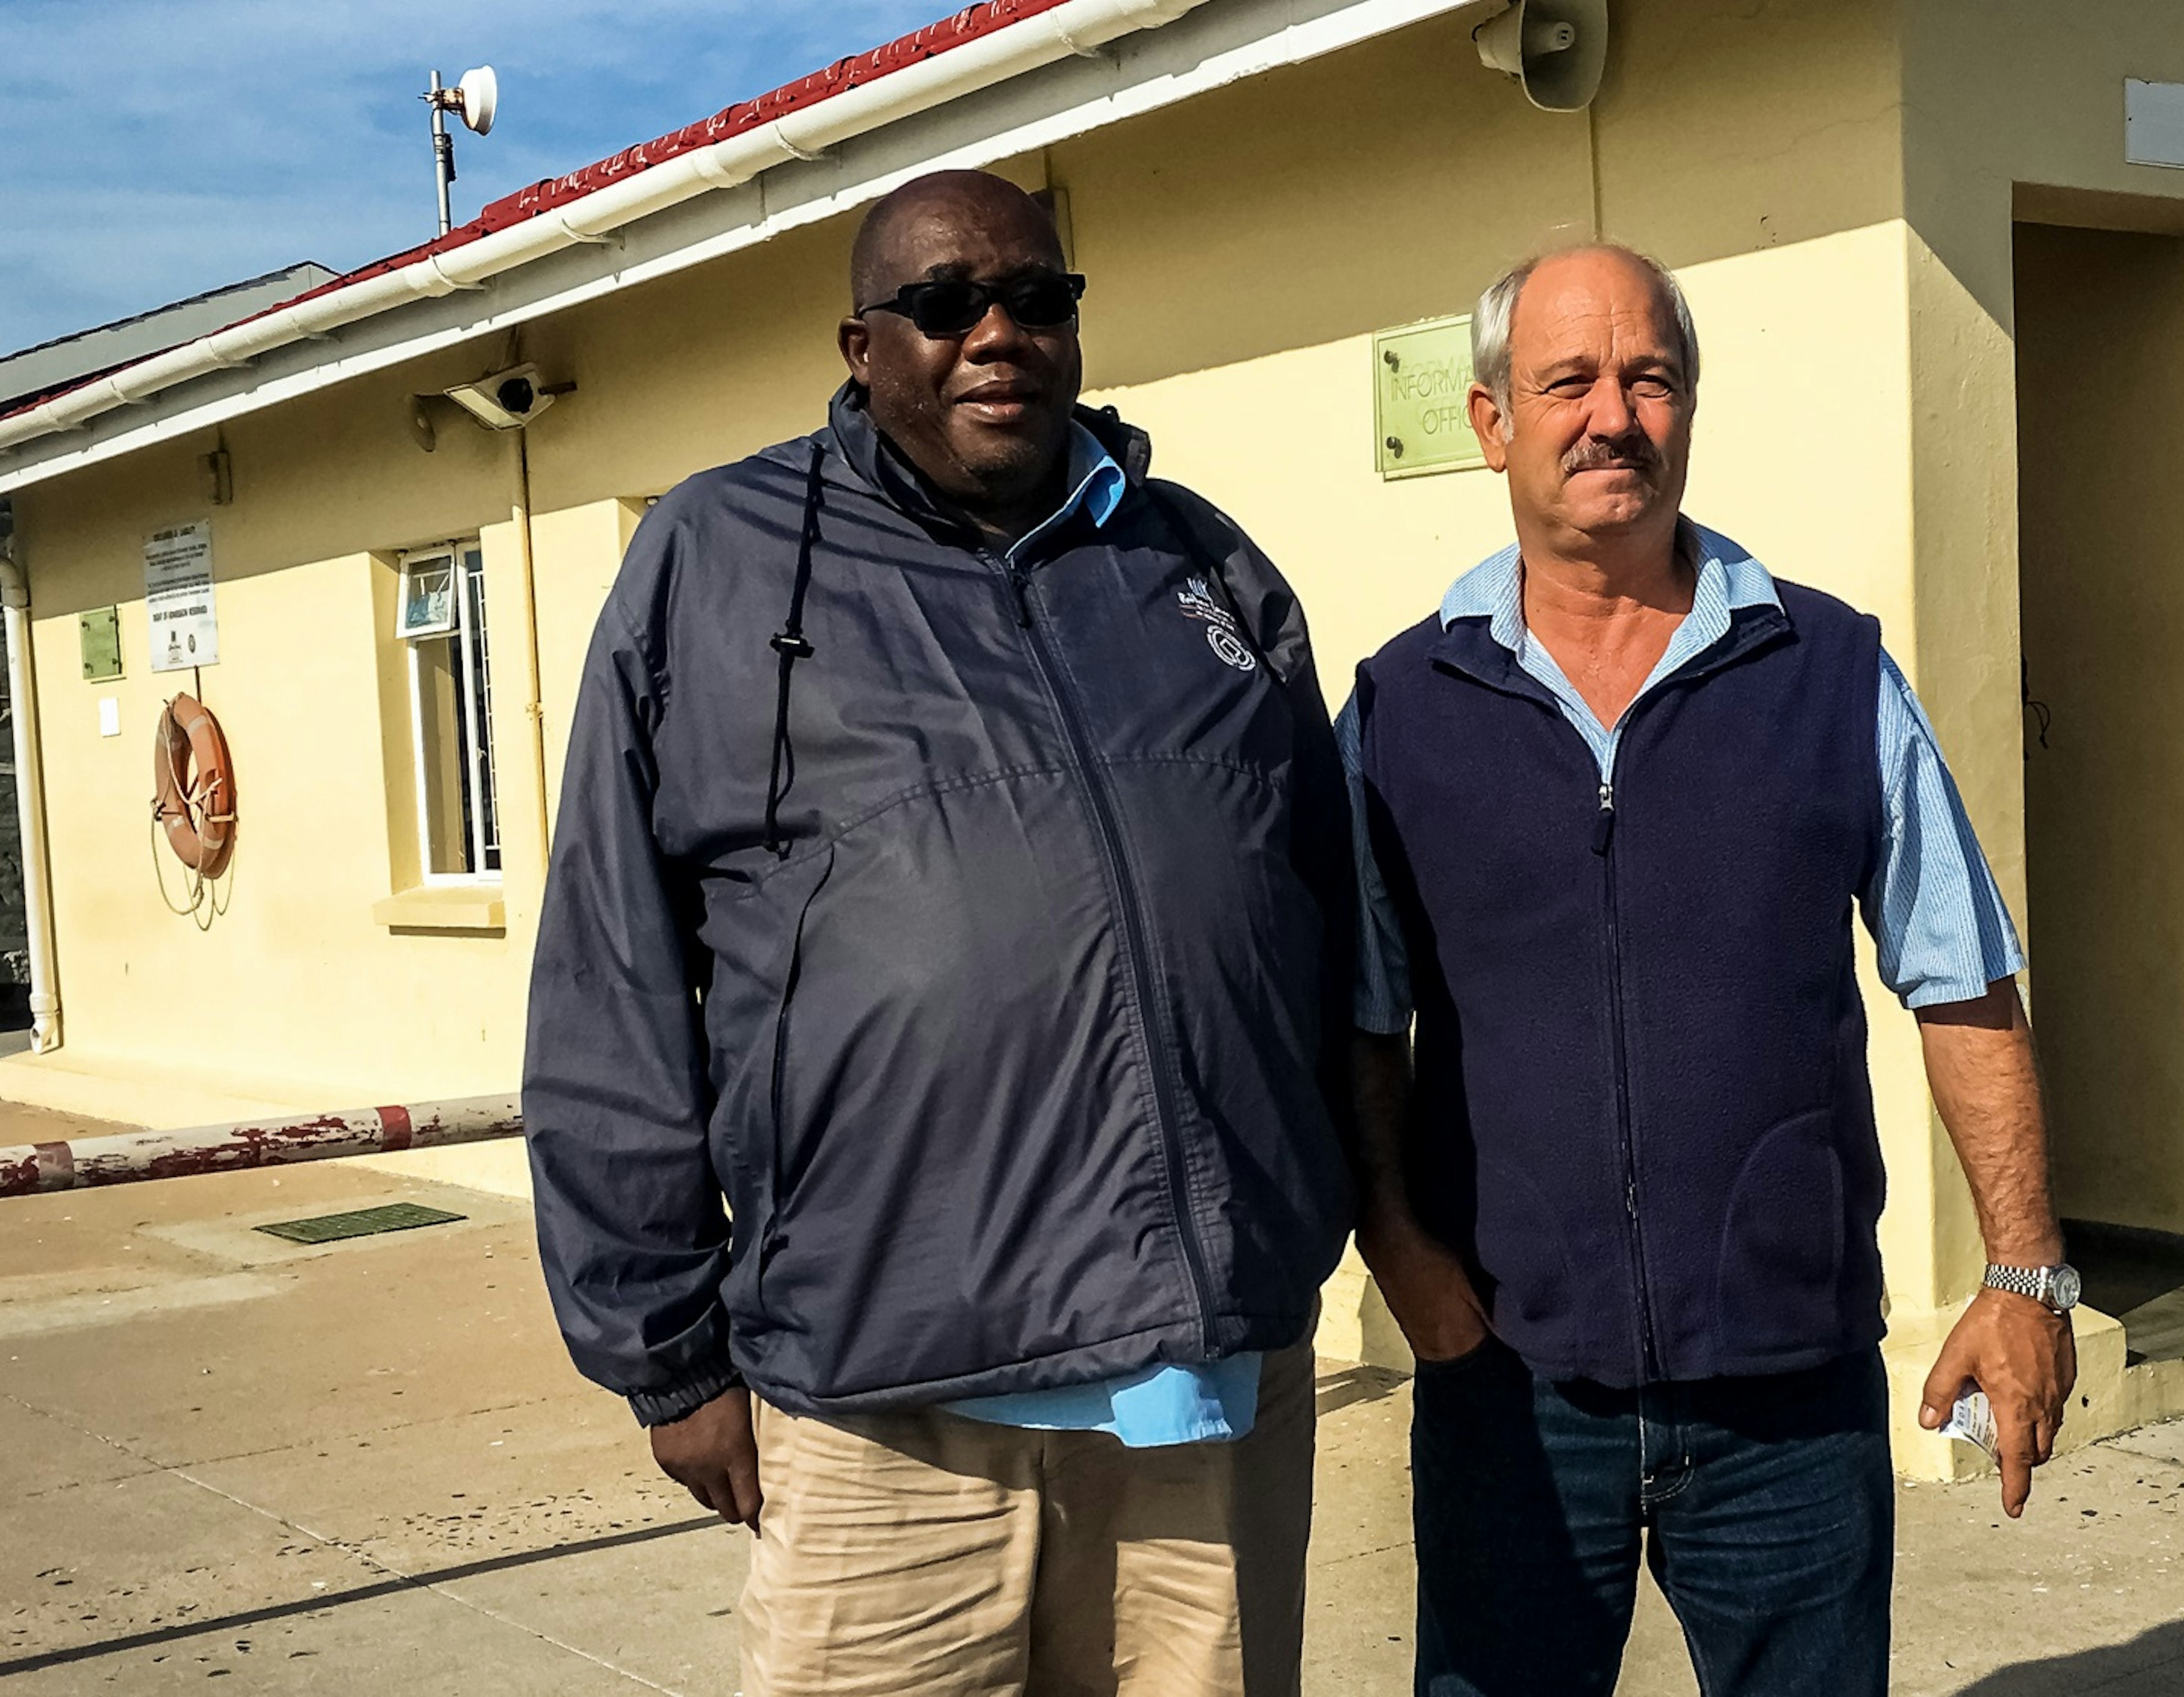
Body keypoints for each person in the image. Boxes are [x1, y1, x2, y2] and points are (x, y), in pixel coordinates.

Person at [523, 169, 1354, 1696]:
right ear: (860, 344)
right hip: (883, 1413)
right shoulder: (716, 563)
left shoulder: (1202, 568)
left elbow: (1325, 931)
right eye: (946, 302)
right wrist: (665, 1353)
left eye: (1039, 299)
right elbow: (612, 972)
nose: (998, 333)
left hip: (1201, 1400)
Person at [1340, 243, 2078, 1697]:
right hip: (1511, 1387)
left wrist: (2025, 1274)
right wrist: (1401, 1252)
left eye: (1651, 378)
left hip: (1786, 1397)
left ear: (1688, 408)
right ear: (1493, 423)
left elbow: (1962, 978)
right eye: (1566, 382)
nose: (1611, 415)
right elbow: (1359, 1023)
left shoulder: (1829, 670)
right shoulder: (1402, 708)